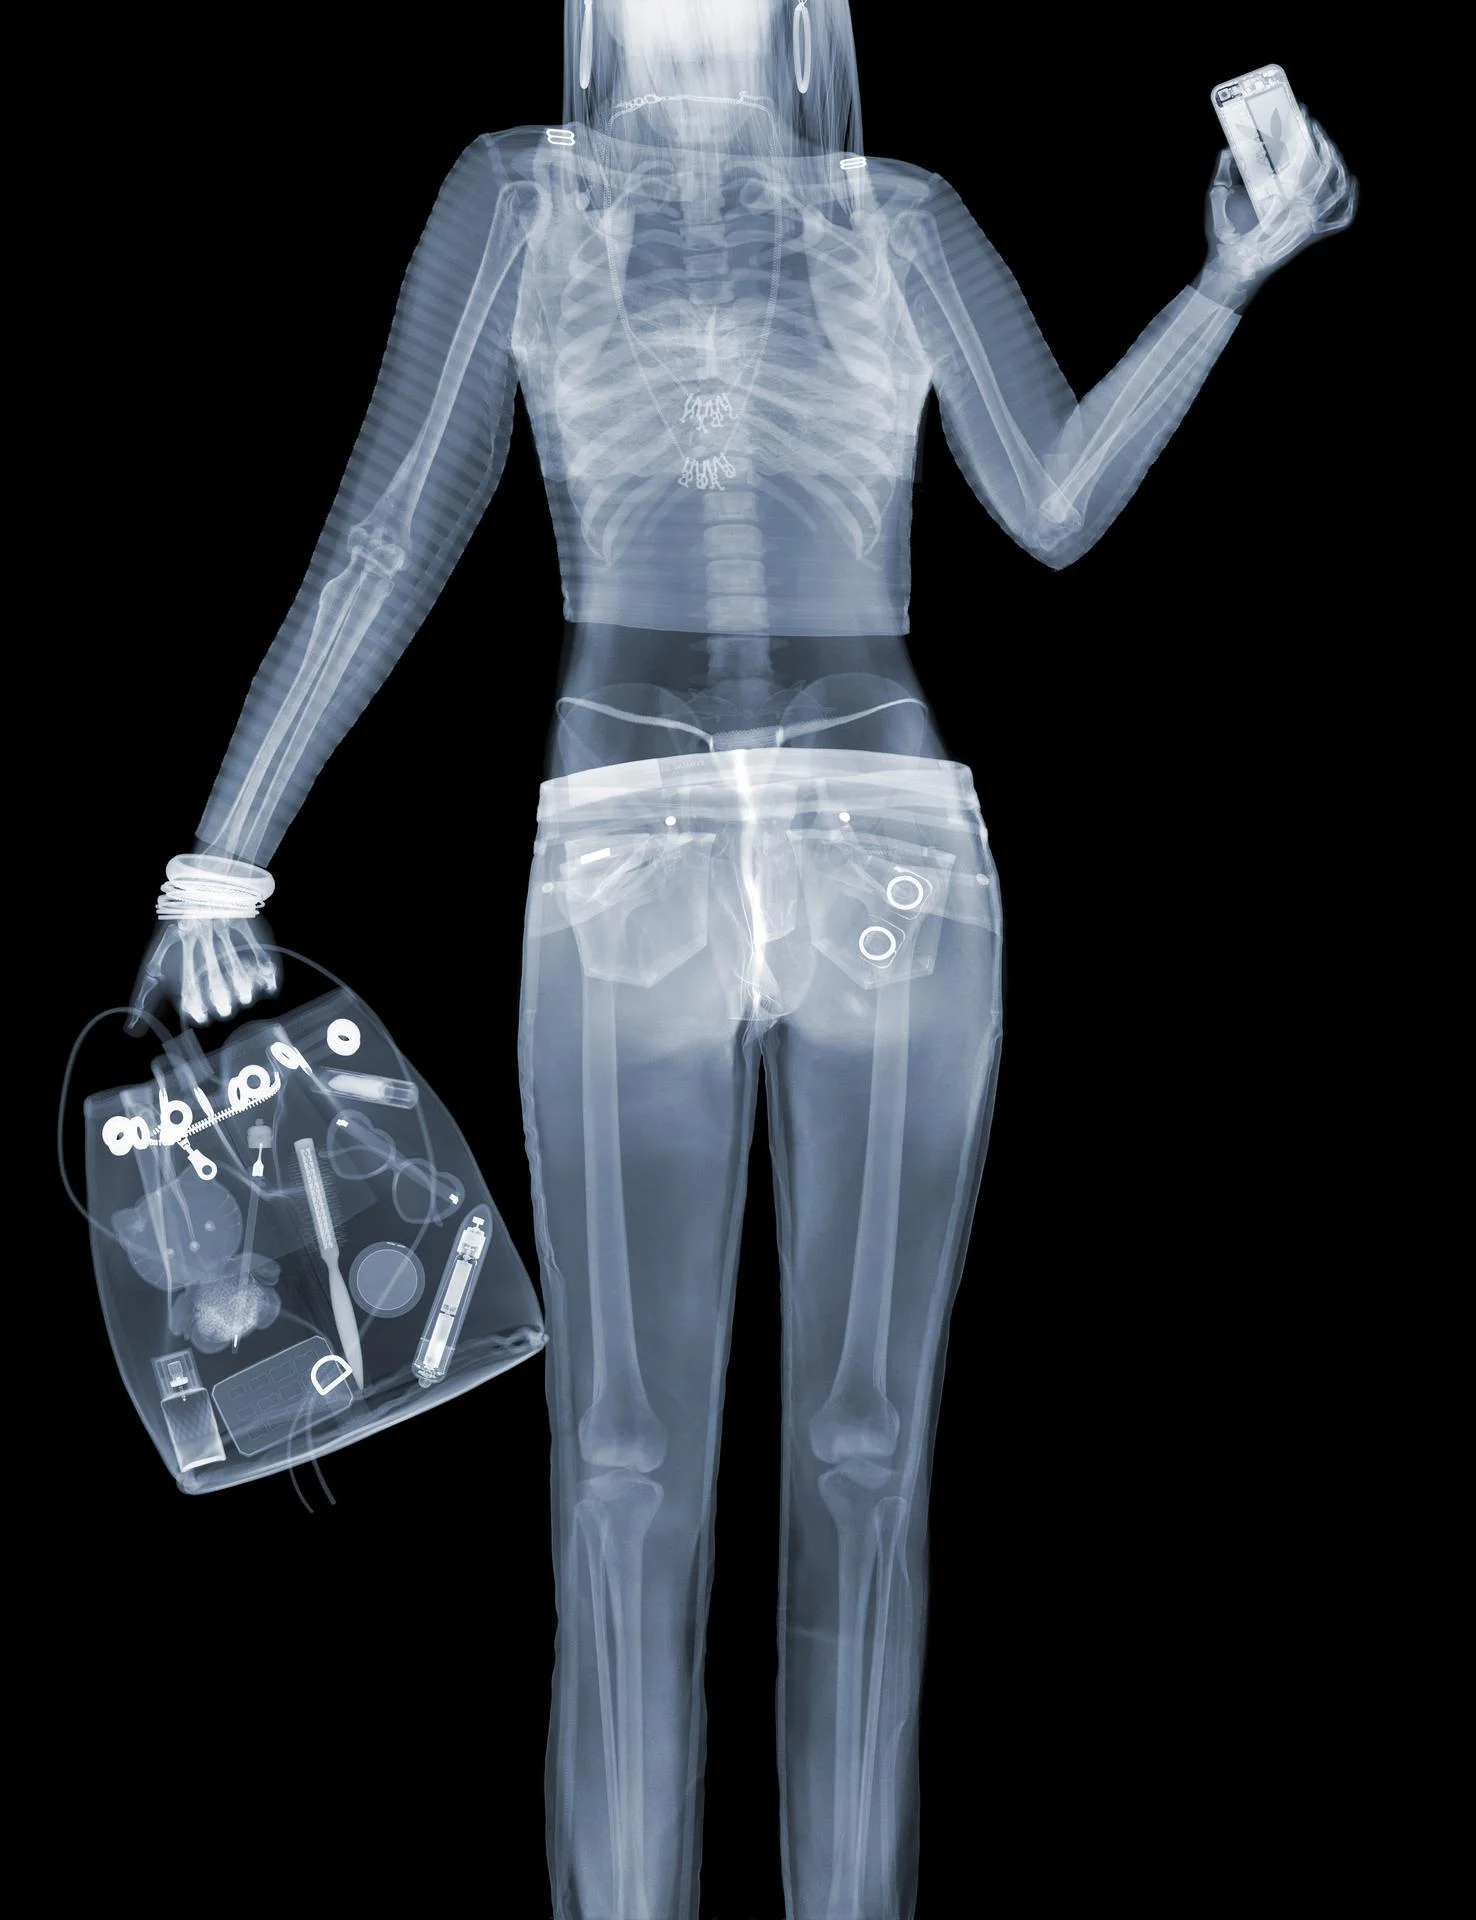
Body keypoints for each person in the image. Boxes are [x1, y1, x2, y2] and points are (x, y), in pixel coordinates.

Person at [127, 5, 1356, 1915]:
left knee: (775, 1466)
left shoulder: (864, 208)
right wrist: (221, 858)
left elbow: (1046, 511)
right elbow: (393, 527)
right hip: (778, 850)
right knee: (689, 1470)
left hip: (810, 846)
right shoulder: (543, 192)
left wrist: (1224, 280)